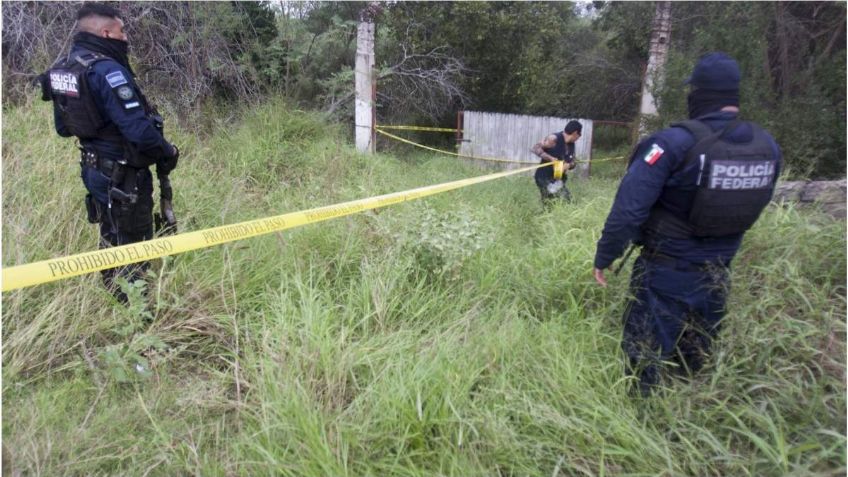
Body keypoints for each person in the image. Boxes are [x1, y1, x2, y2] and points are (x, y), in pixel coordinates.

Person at [592, 52, 782, 396]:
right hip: (718, 275)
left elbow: (628, 210)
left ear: (697, 93)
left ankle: (638, 421)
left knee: (643, 361)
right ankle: (684, 416)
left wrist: (605, 256)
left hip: (665, 274)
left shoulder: (671, 143)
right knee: (694, 362)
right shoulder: (766, 146)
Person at [39, 3, 180, 304]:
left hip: (94, 170)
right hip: (124, 175)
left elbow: (63, 129)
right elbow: (140, 132)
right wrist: (167, 152)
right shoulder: (107, 70)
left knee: (111, 233)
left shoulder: (65, 68)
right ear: (106, 32)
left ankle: (115, 293)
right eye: (121, 30)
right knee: (135, 247)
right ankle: (137, 314)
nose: (125, 36)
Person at [531, 120, 582, 205]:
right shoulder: (554, 139)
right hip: (544, 177)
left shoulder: (571, 144)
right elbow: (535, 148)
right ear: (575, 133)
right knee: (553, 203)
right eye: (579, 134)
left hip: (557, 180)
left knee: (568, 203)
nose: (579, 136)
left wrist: (568, 165)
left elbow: (574, 161)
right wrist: (551, 158)